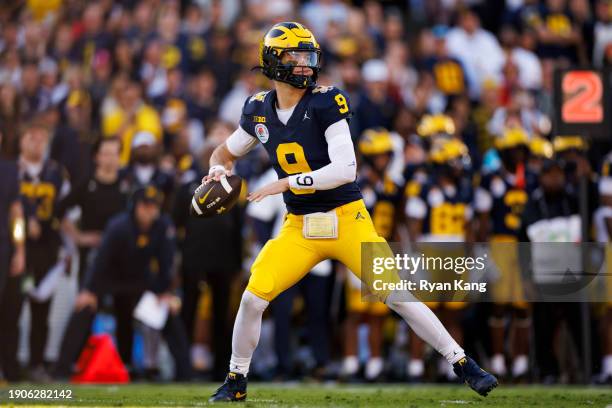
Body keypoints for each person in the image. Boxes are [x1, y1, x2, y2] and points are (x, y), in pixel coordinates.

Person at [203, 22, 497, 402]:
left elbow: (345, 169)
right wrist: (216, 169)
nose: (306, 65)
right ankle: (236, 379)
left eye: (309, 57)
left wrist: (288, 183)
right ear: (272, 61)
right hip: (300, 228)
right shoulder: (258, 109)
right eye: (296, 57)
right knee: (252, 297)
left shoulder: (326, 101)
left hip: (346, 218)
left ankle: (462, 362)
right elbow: (224, 153)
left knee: (396, 294)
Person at [54, 185, 192, 381]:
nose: (149, 210)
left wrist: (164, 292)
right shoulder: (119, 226)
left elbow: (166, 262)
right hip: (110, 278)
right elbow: (101, 261)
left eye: (154, 206)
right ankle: (61, 369)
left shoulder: (163, 226)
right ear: (135, 206)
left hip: (141, 280)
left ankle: (185, 374)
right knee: (84, 307)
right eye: (145, 205)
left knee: (168, 311)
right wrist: (89, 290)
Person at [16, 122, 71, 382]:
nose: (36, 142)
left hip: (47, 250)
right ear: (21, 140)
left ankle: (37, 363)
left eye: (41, 138)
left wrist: (69, 247)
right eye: (31, 137)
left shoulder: (56, 172)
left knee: (41, 313)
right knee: (10, 310)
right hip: (16, 250)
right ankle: (10, 364)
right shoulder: (10, 170)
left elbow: (68, 213)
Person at [58, 137, 129, 285]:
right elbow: (59, 210)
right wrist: (79, 237)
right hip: (91, 256)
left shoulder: (128, 185)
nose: (110, 159)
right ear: (96, 157)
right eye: (106, 153)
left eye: (115, 153)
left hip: (121, 257)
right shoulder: (86, 184)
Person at [0, 131, 26, 382]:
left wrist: (19, 249)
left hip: (3, 250)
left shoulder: (9, 171)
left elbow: (16, 215)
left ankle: (10, 372)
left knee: (8, 312)